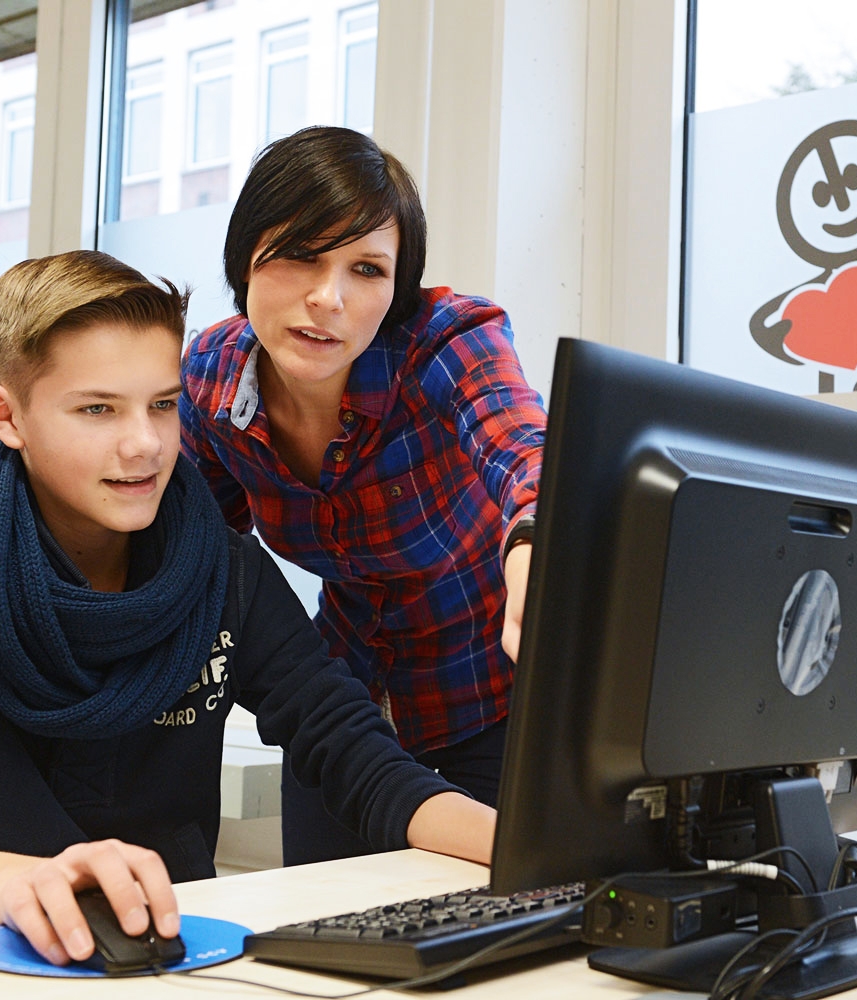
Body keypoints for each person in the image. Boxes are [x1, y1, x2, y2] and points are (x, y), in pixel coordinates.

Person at [0, 250, 495, 968]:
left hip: (162, 961)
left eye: (163, 405)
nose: (145, 445)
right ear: (6, 416)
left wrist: (527, 848)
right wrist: (17, 884)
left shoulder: (222, 567)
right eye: (98, 409)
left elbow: (352, 749)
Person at [180, 126, 546, 864]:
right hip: (344, 713)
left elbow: (524, 449)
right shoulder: (211, 381)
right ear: (243, 258)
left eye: (368, 270)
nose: (329, 299)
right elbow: (201, 555)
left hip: (496, 697)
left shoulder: (446, 340)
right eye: (299, 257)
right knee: (327, 933)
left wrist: (538, 542)